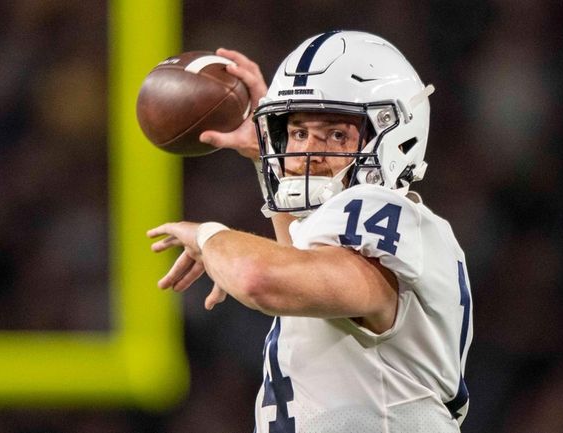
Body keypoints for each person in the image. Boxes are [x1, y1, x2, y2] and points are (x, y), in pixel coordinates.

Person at [148, 30, 473, 433]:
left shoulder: (386, 211)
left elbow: (259, 279)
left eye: (336, 134)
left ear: (396, 135)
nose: (306, 154)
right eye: (298, 133)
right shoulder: (362, 234)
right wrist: (262, 153)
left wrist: (208, 236)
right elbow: (303, 262)